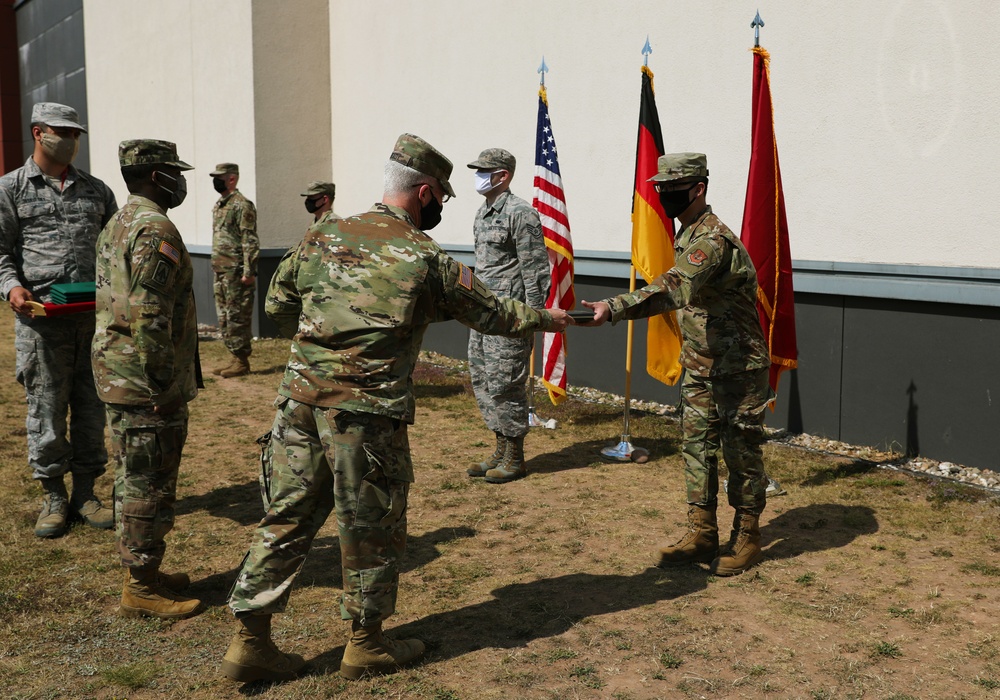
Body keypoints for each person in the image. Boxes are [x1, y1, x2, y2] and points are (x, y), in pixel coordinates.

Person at [222, 133, 569, 683]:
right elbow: (493, 313)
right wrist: (561, 319)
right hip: (365, 414)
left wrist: (322, 347)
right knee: (369, 524)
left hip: (298, 402)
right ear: (426, 193)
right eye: (442, 199)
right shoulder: (423, 256)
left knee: (285, 517)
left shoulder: (324, 232)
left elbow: (278, 303)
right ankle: (365, 644)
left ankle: (250, 642)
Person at [580, 152, 771, 577]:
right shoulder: (689, 233)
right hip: (701, 364)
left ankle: (748, 535)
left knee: (741, 453)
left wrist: (614, 307)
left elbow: (675, 288)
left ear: (698, 188)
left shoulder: (711, 240)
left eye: (671, 189)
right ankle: (702, 532)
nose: (663, 196)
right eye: (660, 189)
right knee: (697, 448)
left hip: (738, 367)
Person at [91, 139, 202, 619]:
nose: (181, 181)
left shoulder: (118, 221)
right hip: (143, 382)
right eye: (175, 172)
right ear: (158, 176)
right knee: (148, 482)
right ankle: (141, 587)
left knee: (133, 475)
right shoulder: (155, 228)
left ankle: (147, 572)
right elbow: (149, 314)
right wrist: (163, 386)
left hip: (119, 373)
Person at [0, 102, 117, 538]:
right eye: (61, 131)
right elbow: (0, 251)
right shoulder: (11, 188)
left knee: (91, 409)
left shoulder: (97, 190)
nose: (70, 140)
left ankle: (86, 492)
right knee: (46, 409)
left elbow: (114, 250)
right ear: (37, 132)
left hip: (92, 321)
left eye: (75, 133)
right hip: (40, 321)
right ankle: (53, 495)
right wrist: (12, 286)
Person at [465, 148, 550, 484]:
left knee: (506, 382)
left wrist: (534, 315)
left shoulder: (521, 213)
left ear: (503, 175)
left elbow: (536, 268)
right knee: (483, 378)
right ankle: (500, 448)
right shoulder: (482, 213)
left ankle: (515, 457)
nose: (478, 176)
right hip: (483, 314)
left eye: (484, 171)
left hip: (511, 315)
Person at [210, 162, 258, 378]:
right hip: (220, 269)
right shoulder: (221, 204)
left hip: (236, 271)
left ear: (232, 179)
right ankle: (233, 356)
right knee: (225, 316)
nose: (215, 180)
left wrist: (249, 271)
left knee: (237, 315)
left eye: (219, 177)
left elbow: (249, 239)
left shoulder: (242, 205)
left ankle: (241, 360)